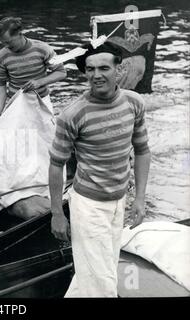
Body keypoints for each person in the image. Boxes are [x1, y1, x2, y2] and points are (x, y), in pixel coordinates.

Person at [48, 42, 151, 297]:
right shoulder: (72, 114)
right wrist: (56, 214)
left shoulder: (134, 103)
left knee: (98, 271)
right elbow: (56, 164)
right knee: (103, 281)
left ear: (120, 69)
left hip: (119, 200)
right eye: (90, 69)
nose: (96, 75)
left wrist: (139, 198)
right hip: (88, 205)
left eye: (104, 68)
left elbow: (142, 150)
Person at [0, 17, 67, 119]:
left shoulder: (43, 48)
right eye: (3, 42)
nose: (6, 46)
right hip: (16, 103)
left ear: (20, 33)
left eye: (9, 42)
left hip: (41, 100)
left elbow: (61, 72)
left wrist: (39, 82)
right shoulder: (1, 56)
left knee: (45, 134)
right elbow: (1, 85)